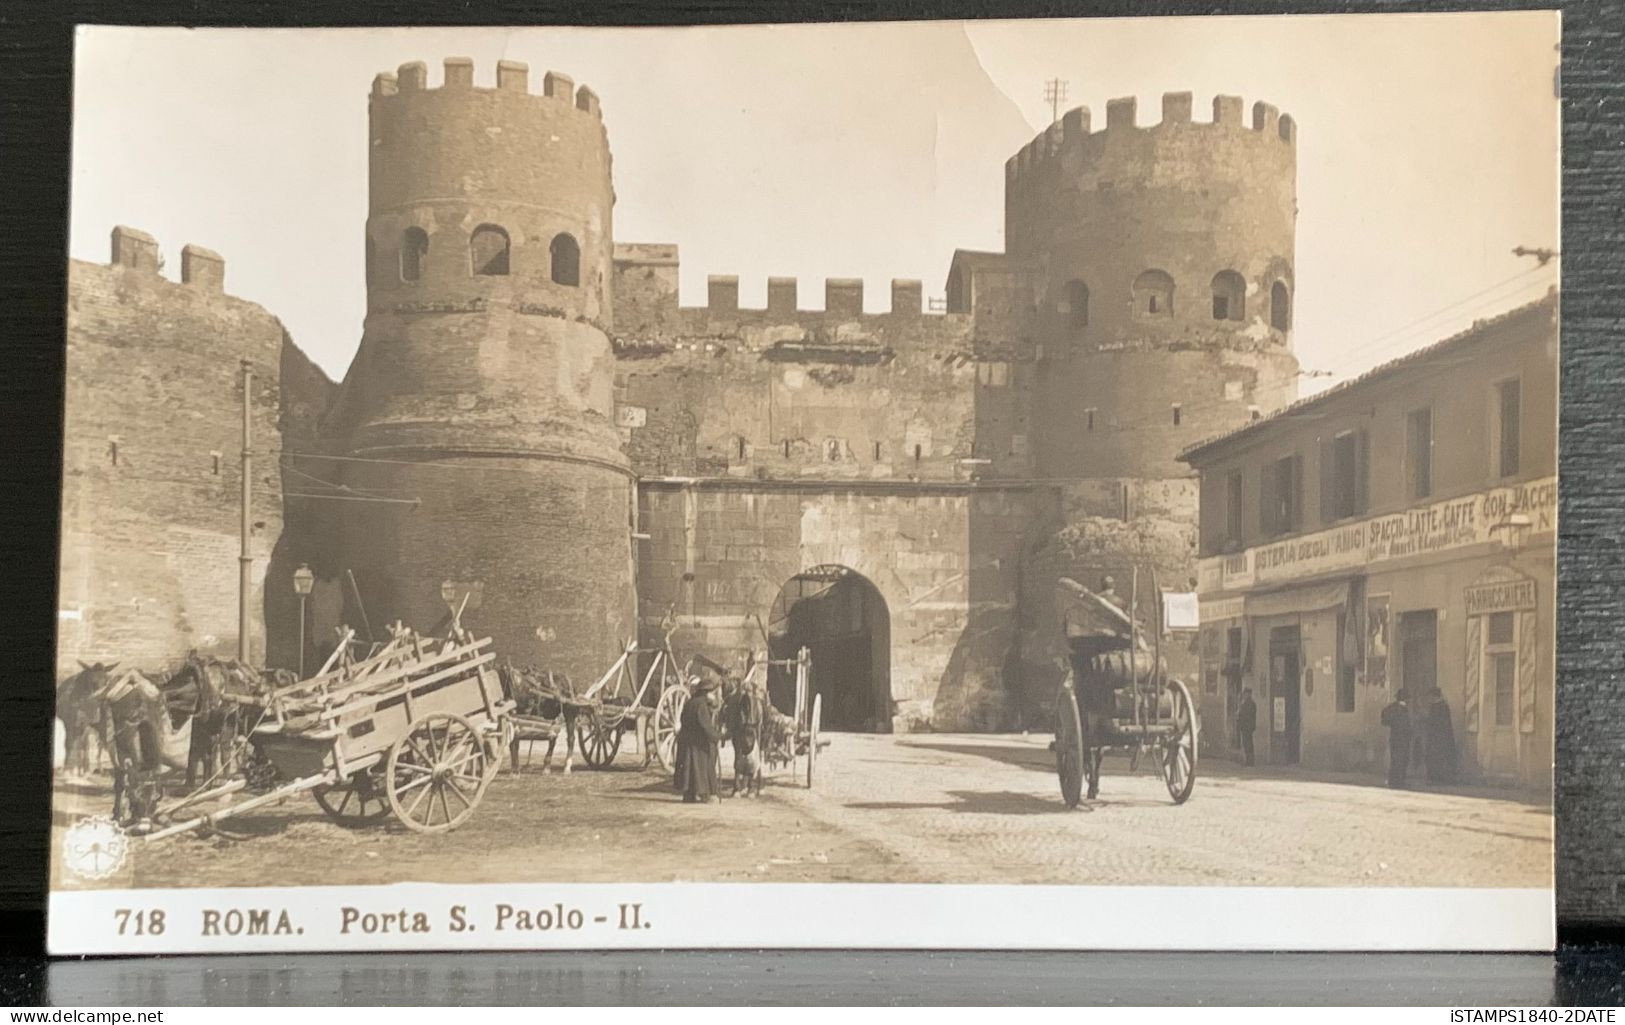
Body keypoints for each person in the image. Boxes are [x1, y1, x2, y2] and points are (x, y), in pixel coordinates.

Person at [674, 677, 723, 803]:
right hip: (698, 742)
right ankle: (705, 794)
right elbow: (705, 725)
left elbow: (684, 719)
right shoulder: (701, 705)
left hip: (686, 740)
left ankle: (689, 795)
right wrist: (717, 736)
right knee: (703, 766)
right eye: (711, 692)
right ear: (706, 693)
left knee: (689, 768)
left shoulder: (690, 702)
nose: (712, 695)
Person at [726, 673, 765, 798]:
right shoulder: (736, 702)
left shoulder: (757, 704)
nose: (747, 693)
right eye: (745, 690)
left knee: (751, 758)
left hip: (750, 731)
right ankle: (740, 786)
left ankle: (750, 786)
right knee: (741, 757)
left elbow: (759, 721)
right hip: (741, 731)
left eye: (748, 690)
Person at [1424, 687, 1459, 784]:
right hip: (1438, 737)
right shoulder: (1441, 706)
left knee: (1438, 757)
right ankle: (1436, 778)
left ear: (1434, 696)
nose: (1429, 698)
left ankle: (1438, 778)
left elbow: (1439, 723)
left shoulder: (1439, 707)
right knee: (1435, 757)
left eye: (1430, 696)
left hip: (1439, 737)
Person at [1380, 689, 1414, 788]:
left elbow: (1384, 720)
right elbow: (1406, 725)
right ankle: (1399, 781)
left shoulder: (1392, 708)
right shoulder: (1403, 709)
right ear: (1406, 699)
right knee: (1402, 760)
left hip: (1395, 738)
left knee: (1395, 760)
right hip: (1403, 739)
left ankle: (1394, 781)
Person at [1235, 687, 1257, 767]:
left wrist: (1240, 713)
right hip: (1245, 726)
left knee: (1248, 744)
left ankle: (1250, 761)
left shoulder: (1250, 704)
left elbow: (1246, 715)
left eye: (1246, 693)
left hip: (1247, 726)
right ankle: (1248, 761)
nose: (1244, 695)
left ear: (1249, 694)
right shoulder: (1245, 703)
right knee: (1246, 744)